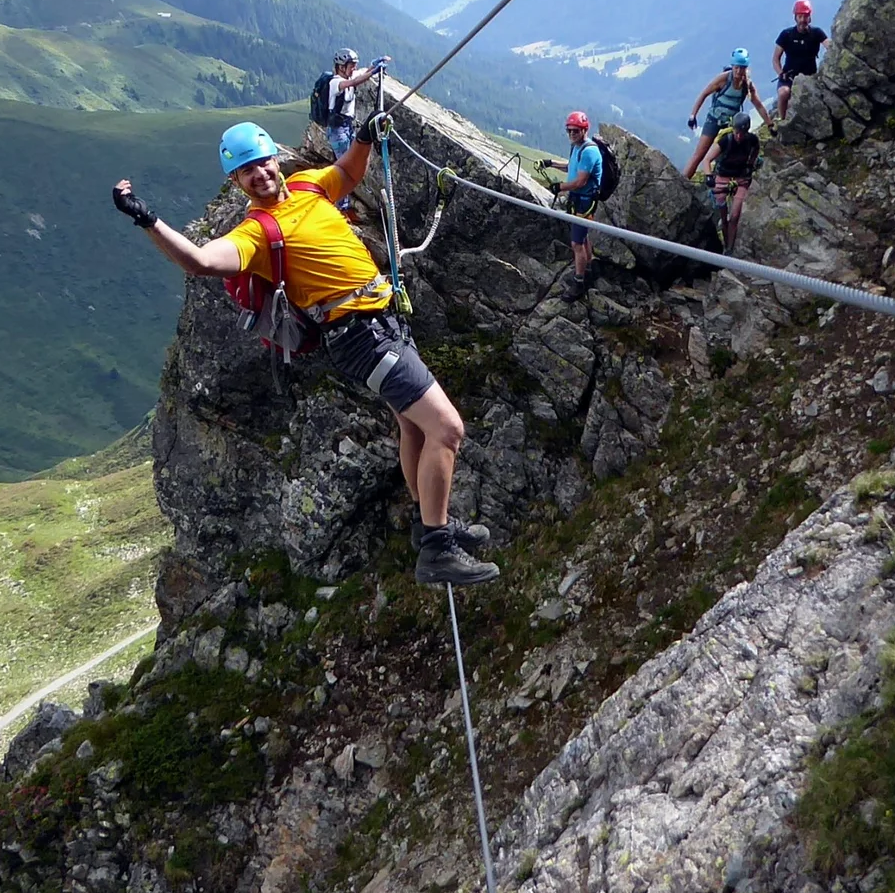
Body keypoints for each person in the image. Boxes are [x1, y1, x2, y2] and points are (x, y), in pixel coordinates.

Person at [110, 118, 499, 586]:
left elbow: (349, 174)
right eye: (247, 171)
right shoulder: (256, 232)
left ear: (275, 158)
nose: (260, 174)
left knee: (412, 425)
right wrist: (146, 218)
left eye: (262, 162)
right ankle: (438, 548)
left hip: (384, 322)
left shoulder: (308, 186)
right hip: (360, 336)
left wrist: (364, 138)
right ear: (236, 182)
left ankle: (427, 522)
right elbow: (201, 261)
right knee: (448, 428)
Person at [537, 111, 601, 296]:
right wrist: (551, 164)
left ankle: (579, 282)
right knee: (583, 237)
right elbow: (571, 166)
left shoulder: (589, 151)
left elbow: (580, 181)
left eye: (576, 130)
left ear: (584, 130)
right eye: (569, 130)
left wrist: (559, 187)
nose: (572, 133)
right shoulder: (577, 148)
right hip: (579, 199)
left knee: (576, 244)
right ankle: (588, 268)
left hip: (585, 201)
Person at [682, 49, 771, 179]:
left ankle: (721, 181)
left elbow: (758, 104)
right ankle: (683, 181)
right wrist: (692, 115)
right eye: (736, 68)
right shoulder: (723, 79)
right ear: (733, 66)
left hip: (731, 125)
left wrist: (770, 124)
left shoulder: (748, 84)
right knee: (699, 154)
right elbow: (704, 94)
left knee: (727, 153)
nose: (738, 71)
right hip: (714, 119)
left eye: (742, 68)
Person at [700, 111, 760, 253]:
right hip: (722, 178)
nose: (739, 136)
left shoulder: (752, 140)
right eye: (737, 132)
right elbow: (707, 160)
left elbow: (756, 150)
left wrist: (750, 165)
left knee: (734, 215)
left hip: (741, 179)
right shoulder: (725, 141)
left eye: (742, 133)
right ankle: (726, 244)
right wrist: (709, 176)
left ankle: (730, 249)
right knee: (723, 215)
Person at [320, 48, 390, 159]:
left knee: (352, 159)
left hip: (348, 126)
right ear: (342, 67)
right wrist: (373, 72)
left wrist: (373, 65)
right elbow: (353, 82)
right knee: (346, 164)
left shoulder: (349, 76)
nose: (354, 68)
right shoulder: (335, 82)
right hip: (337, 130)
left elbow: (362, 73)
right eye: (351, 65)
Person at [772, 0, 829, 120]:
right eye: (800, 16)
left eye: (805, 16)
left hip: (810, 77)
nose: (803, 20)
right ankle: (782, 121)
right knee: (783, 93)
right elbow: (775, 58)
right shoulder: (786, 35)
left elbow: (830, 45)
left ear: (810, 17)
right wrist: (781, 73)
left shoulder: (816, 33)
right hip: (789, 76)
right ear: (795, 17)